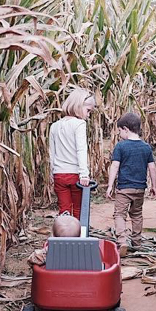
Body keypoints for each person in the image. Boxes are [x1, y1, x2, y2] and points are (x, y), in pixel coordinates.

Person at [105, 113, 156, 257]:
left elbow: (115, 166)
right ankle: (137, 241)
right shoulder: (146, 147)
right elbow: (152, 167)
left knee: (119, 214)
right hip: (140, 188)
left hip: (124, 189)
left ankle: (122, 241)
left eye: (120, 131)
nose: (119, 134)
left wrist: (110, 185)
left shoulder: (121, 146)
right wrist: (154, 185)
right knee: (137, 214)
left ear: (126, 129)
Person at [49, 88, 95, 219]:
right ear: (78, 106)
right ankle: (78, 236)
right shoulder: (79, 124)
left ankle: (64, 236)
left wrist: (53, 172)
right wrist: (84, 174)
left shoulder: (55, 126)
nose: (88, 115)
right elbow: (81, 149)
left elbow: (52, 152)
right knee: (79, 209)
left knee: (64, 209)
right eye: (88, 111)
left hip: (59, 174)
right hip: (75, 175)